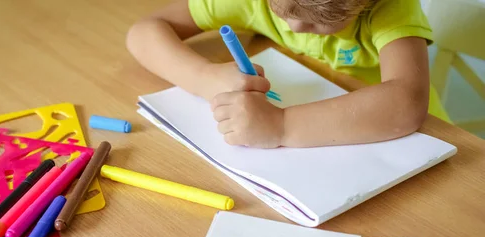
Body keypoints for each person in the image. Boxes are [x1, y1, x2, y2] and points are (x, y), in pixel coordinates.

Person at [127, 0, 449, 148]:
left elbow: (405, 101)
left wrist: (281, 126)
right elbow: (143, 32)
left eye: (318, 21)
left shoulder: (390, 7)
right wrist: (204, 78)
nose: (295, 27)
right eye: (279, 9)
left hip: (416, 142)